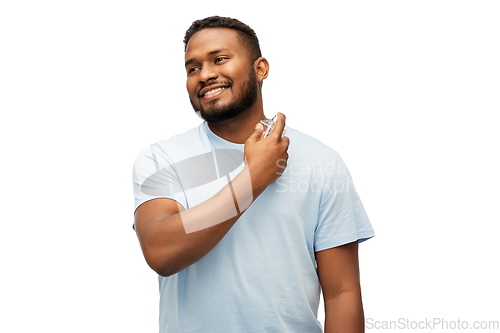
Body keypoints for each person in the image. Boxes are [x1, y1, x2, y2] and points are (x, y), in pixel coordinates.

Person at [132, 16, 375, 333]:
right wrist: (252, 179)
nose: (205, 75)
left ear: (260, 69)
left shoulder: (322, 162)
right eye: (192, 68)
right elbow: (161, 252)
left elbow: (342, 294)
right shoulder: (162, 159)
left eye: (219, 59)